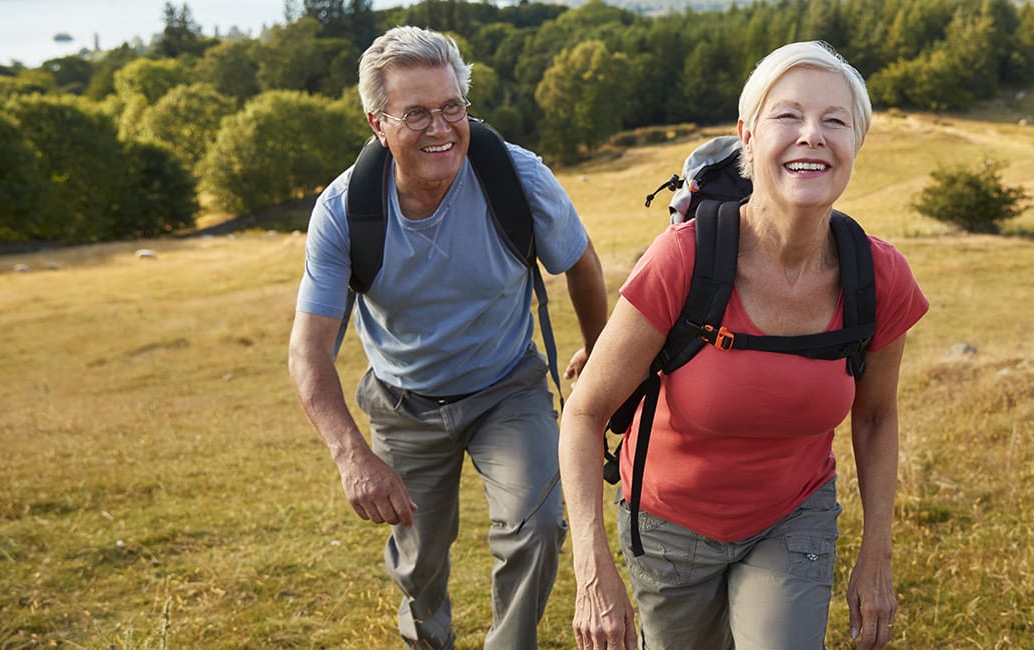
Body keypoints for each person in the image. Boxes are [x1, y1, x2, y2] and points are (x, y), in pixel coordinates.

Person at [558, 41, 928, 650]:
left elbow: (877, 414)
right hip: (667, 521)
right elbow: (584, 413)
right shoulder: (683, 260)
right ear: (748, 138)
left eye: (835, 120)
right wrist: (592, 570)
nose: (812, 134)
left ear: (855, 144)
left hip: (793, 514)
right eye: (788, 116)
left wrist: (877, 556)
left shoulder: (879, 277)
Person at [288, 25, 608, 650]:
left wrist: (600, 357)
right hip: (404, 404)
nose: (441, 128)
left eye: (452, 107)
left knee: (538, 524)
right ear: (378, 123)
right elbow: (308, 349)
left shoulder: (516, 177)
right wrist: (353, 456)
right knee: (419, 561)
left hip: (507, 388)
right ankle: (427, 639)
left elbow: (583, 265)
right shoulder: (343, 211)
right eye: (416, 114)